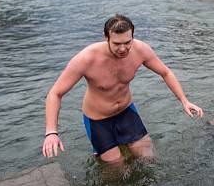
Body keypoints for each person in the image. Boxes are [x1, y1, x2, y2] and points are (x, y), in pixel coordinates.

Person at [42, 15, 203, 164]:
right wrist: (51, 132)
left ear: (132, 36)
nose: (123, 49)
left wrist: (184, 100)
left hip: (126, 112)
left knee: (148, 158)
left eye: (127, 42)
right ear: (106, 38)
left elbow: (165, 72)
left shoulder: (140, 50)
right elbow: (55, 93)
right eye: (117, 44)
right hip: (98, 121)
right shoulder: (86, 59)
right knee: (116, 168)